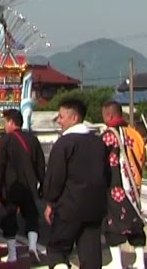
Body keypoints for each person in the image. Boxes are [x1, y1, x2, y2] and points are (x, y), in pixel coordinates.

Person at [41, 99, 108, 269]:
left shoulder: (64, 143)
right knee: (91, 254)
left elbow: (55, 177)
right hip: (95, 208)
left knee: (58, 249)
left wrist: (50, 202)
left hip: (69, 206)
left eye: (61, 117)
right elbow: (107, 174)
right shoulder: (99, 143)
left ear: (74, 118)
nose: (59, 120)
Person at [0, 108, 45, 262]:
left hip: (11, 186)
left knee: (9, 218)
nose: (4, 126)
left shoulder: (5, 140)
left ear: (11, 122)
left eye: (5, 122)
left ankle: (12, 254)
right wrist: (42, 183)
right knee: (32, 216)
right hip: (30, 185)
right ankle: (33, 246)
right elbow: (40, 165)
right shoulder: (32, 139)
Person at [99, 101, 147, 269]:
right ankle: (140, 261)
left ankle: (117, 262)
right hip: (133, 186)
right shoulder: (135, 134)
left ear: (109, 115)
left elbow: (100, 161)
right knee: (135, 222)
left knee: (113, 223)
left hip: (115, 186)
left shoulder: (109, 135)